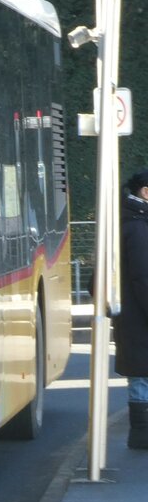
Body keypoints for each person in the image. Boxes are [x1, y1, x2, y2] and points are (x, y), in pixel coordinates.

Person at [116, 168, 148, 449]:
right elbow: (143, 276)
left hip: (131, 315)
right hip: (140, 315)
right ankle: (141, 434)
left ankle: (140, 433)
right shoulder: (138, 226)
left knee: (140, 374)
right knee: (142, 375)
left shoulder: (128, 221)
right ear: (145, 192)